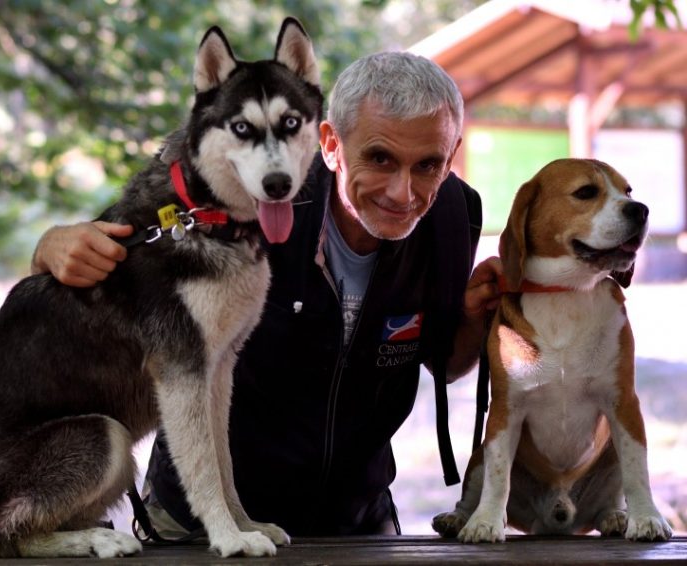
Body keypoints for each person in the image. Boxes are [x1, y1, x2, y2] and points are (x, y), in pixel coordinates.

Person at [31, 51, 501, 537]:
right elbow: (105, 259)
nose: (403, 192)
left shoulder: (453, 216)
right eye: (380, 159)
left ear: (451, 153)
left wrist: (472, 319)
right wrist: (51, 248)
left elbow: (445, 363)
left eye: (428, 165)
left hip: (357, 519)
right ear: (330, 144)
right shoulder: (243, 191)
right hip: (202, 520)